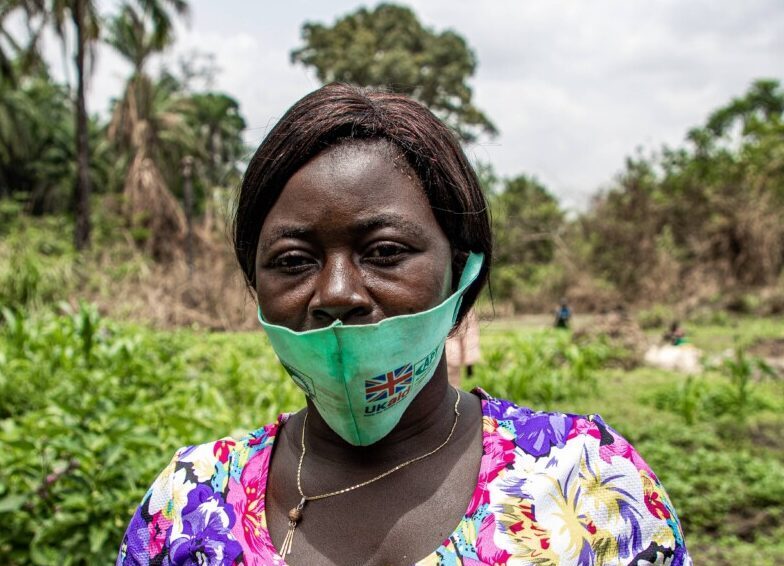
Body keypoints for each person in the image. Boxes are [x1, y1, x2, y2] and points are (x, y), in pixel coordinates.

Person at [117, 84, 691, 565]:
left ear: (461, 272)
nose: (336, 294)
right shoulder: (188, 502)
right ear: (256, 287)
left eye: (385, 251)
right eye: (293, 261)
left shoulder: (588, 485)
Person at [445, 308, 481, 386]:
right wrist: (469, 363)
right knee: (452, 389)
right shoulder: (465, 304)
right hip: (451, 355)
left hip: (448, 356)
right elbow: (469, 333)